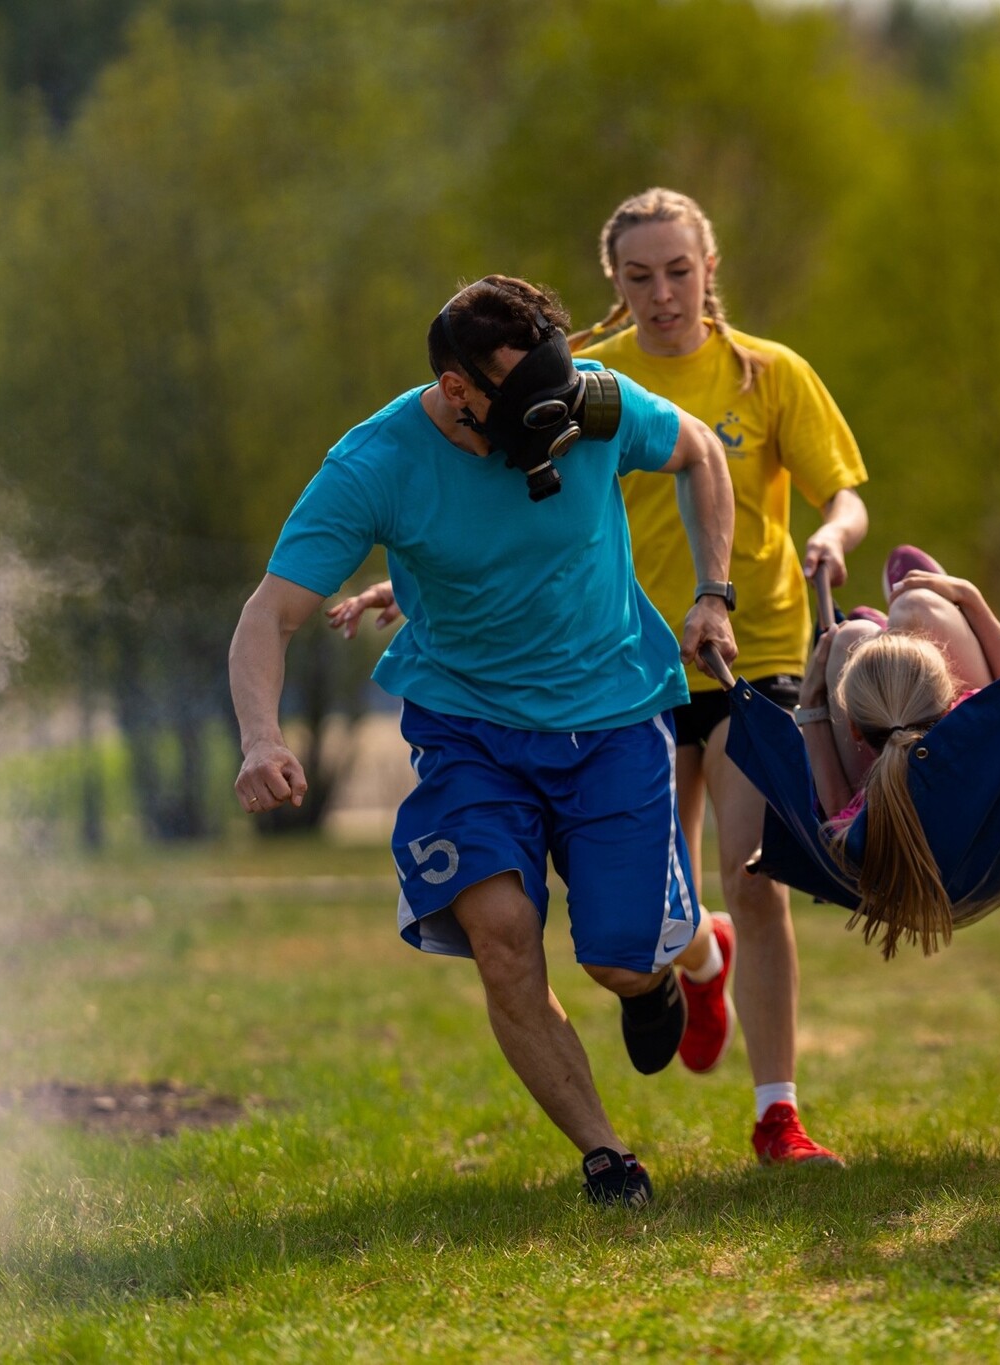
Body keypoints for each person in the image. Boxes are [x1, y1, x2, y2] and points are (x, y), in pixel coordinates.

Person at [333, 190, 869, 1167]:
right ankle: (693, 959)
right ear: (612, 286)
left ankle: (777, 1114)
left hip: (754, 646)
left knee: (755, 873)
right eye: (638, 276)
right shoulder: (577, 381)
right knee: (640, 937)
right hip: (621, 676)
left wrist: (830, 534)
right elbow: (496, 529)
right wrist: (405, 587)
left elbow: (841, 489)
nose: (662, 293)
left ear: (711, 268)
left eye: (679, 270)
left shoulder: (771, 374)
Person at [231, 276, 737, 1209]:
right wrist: (261, 739)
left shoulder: (596, 399)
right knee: (503, 934)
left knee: (618, 959)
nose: (554, 413)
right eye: (524, 399)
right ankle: (606, 1158)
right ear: (459, 391)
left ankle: (660, 976)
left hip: (615, 712)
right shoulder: (376, 464)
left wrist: (714, 592)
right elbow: (271, 614)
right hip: (471, 730)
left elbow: (703, 452)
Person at [792, 551, 1000, 958]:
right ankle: (905, 627)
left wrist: (812, 703)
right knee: (916, 605)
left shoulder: (864, 820)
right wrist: (970, 599)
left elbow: (834, 825)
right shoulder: (972, 730)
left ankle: (877, 639)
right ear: (952, 696)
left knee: (848, 640)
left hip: (877, 764)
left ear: (853, 731)